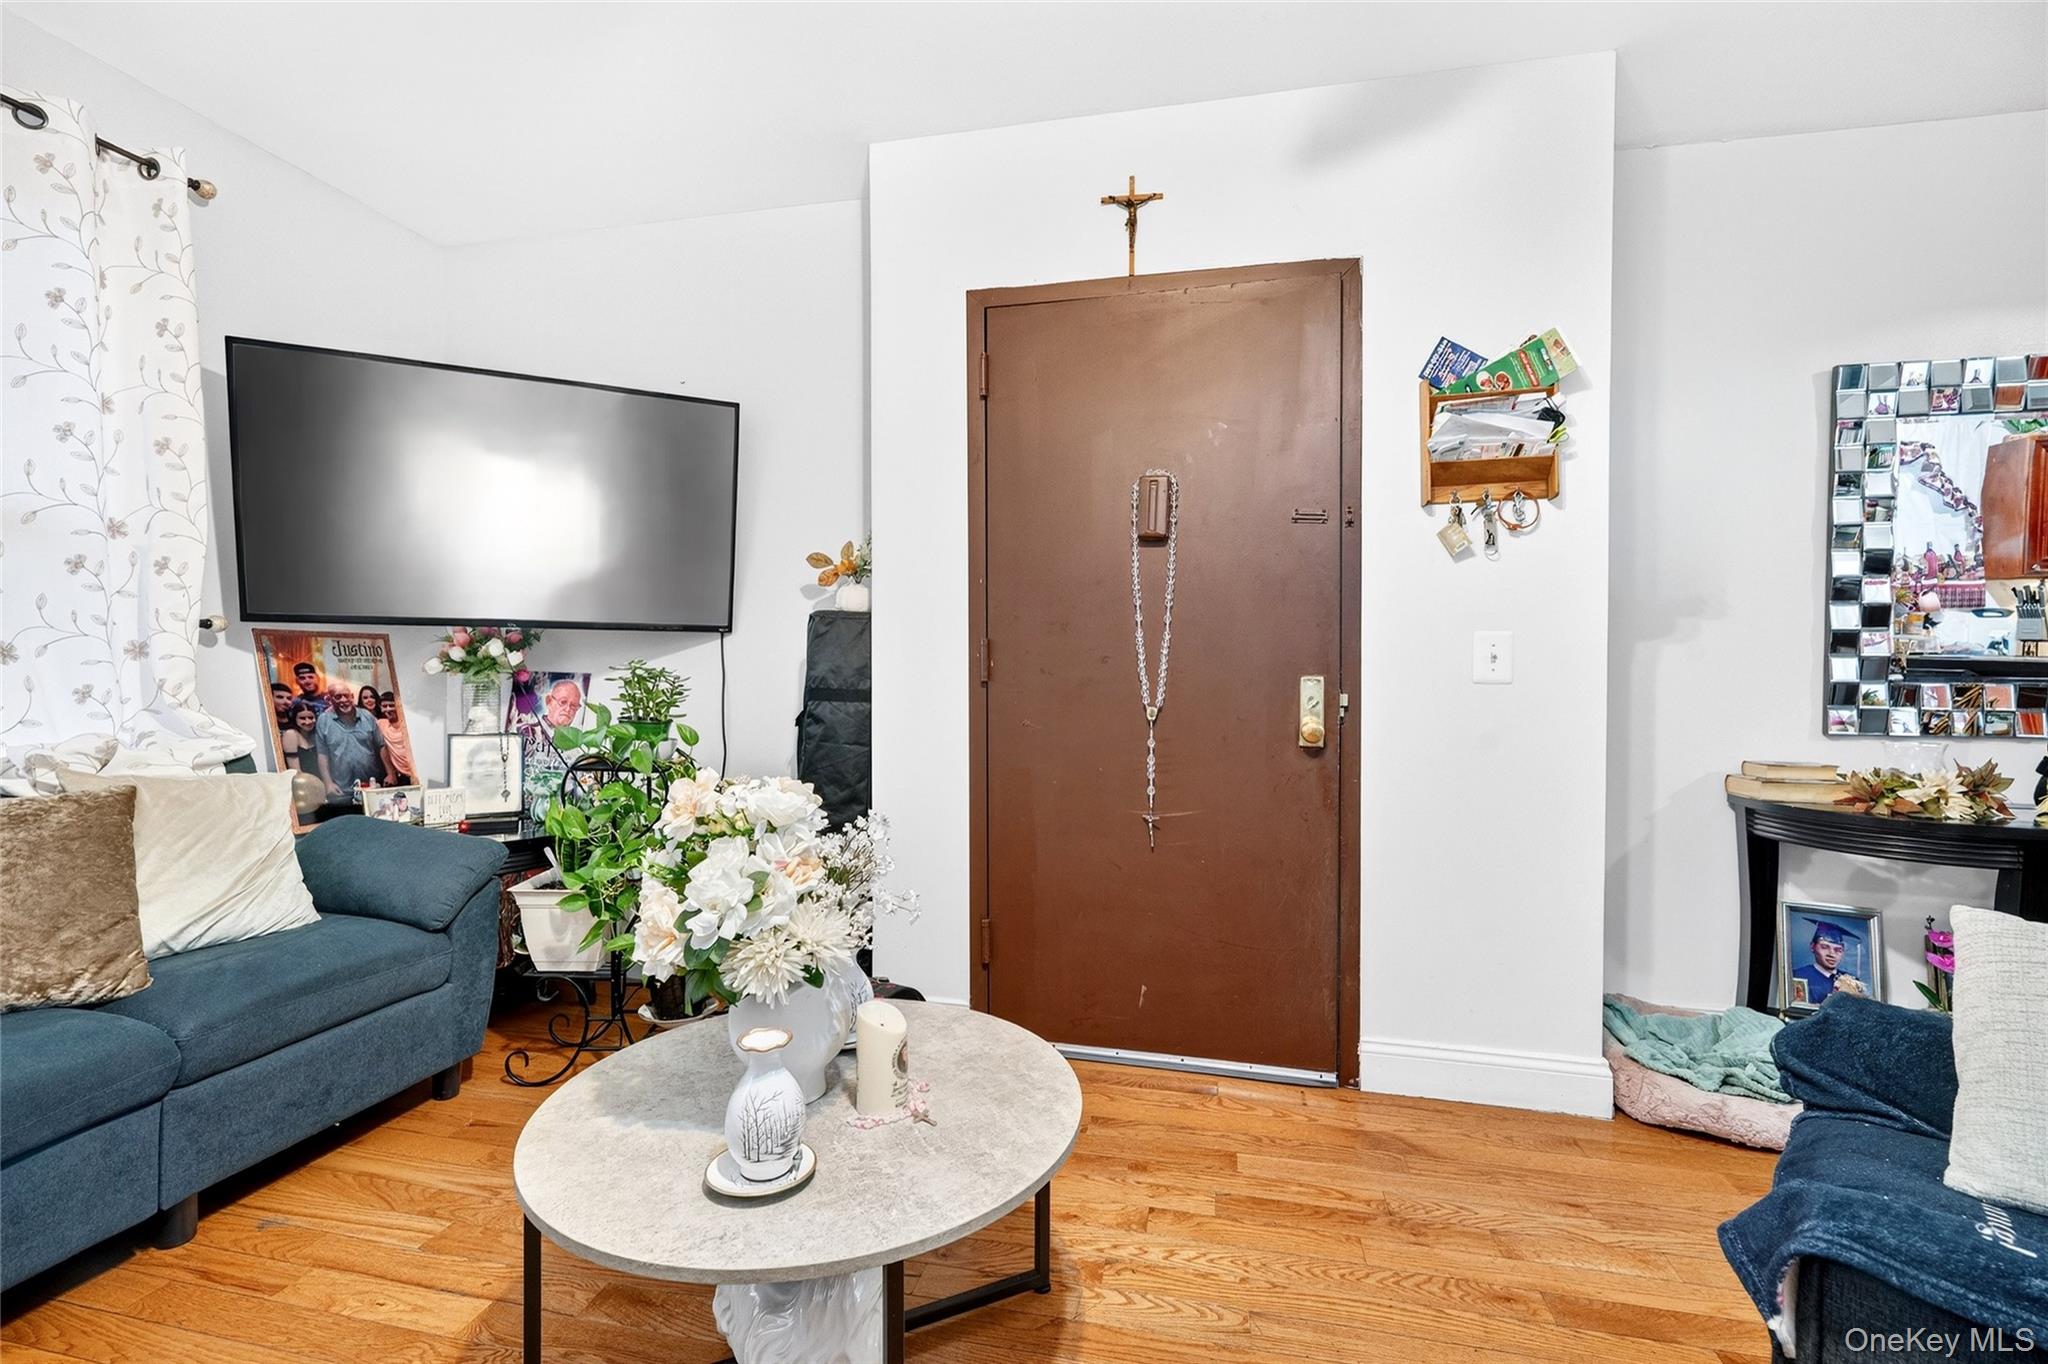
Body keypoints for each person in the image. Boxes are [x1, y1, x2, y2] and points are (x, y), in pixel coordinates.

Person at [314, 685, 396, 799]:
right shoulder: (323, 720)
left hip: (372, 786)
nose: (343, 700)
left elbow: (381, 746)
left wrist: (390, 773)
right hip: (341, 788)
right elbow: (322, 754)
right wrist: (328, 783)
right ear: (331, 699)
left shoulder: (367, 716)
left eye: (346, 696)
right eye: (338, 697)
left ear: (352, 697)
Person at [1792, 917, 1868, 1007]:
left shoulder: (1852, 981)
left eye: (1838, 950)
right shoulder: (1797, 975)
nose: (1832, 954)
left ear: (1843, 951)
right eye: (1825, 947)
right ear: (1812, 946)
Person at [377, 690, 416, 785]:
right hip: (400, 776)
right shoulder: (381, 724)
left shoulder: (408, 723)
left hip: (416, 773)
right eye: (384, 706)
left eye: (391, 705)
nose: (388, 709)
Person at [280, 700, 320, 774]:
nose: (308, 722)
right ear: (295, 719)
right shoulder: (291, 734)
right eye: (302, 718)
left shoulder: (316, 734)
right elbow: (295, 771)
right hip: (303, 782)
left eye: (311, 717)